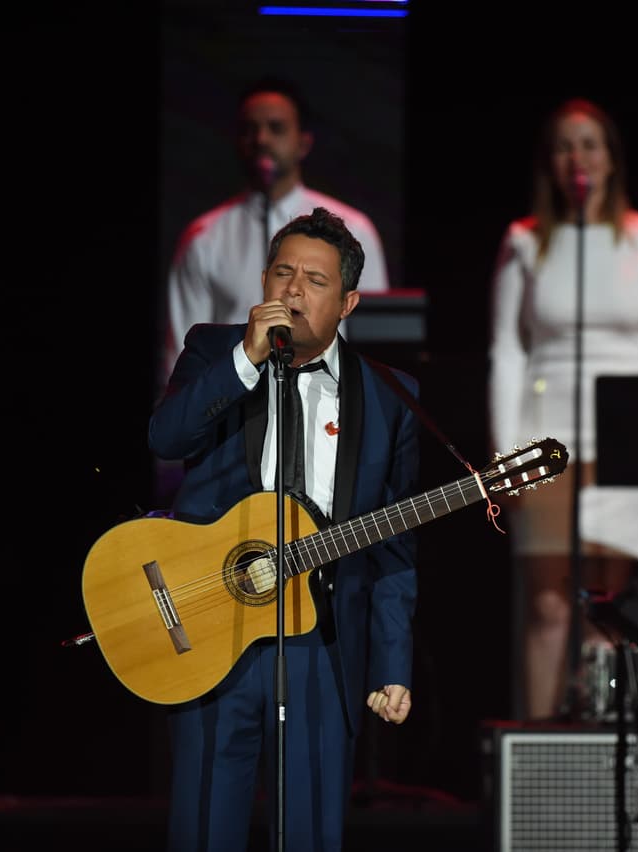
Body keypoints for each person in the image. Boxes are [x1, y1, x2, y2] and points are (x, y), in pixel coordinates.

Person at [151, 207, 418, 852]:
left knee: (311, 830)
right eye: (282, 273)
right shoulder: (214, 352)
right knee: (204, 824)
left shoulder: (390, 397)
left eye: (315, 280)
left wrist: (392, 662)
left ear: (349, 300)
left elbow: (394, 546)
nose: (293, 290)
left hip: (322, 640)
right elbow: (165, 437)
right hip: (216, 626)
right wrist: (245, 359)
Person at [487, 97, 638, 721]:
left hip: (629, 436)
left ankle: (603, 745)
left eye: (590, 144)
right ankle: (542, 740)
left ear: (610, 158)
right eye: (564, 146)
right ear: (550, 163)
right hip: (545, 441)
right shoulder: (525, 241)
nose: (578, 158)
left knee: (610, 603)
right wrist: (503, 457)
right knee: (549, 604)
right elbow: (507, 349)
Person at [160, 73, 391, 402]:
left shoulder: (355, 229)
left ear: (303, 142)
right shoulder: (204, 237)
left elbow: (376, 346)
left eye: (276, 128)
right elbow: (180, 355)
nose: (262, 139)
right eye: (249, 129)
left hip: (329, 410)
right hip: (234, 415)